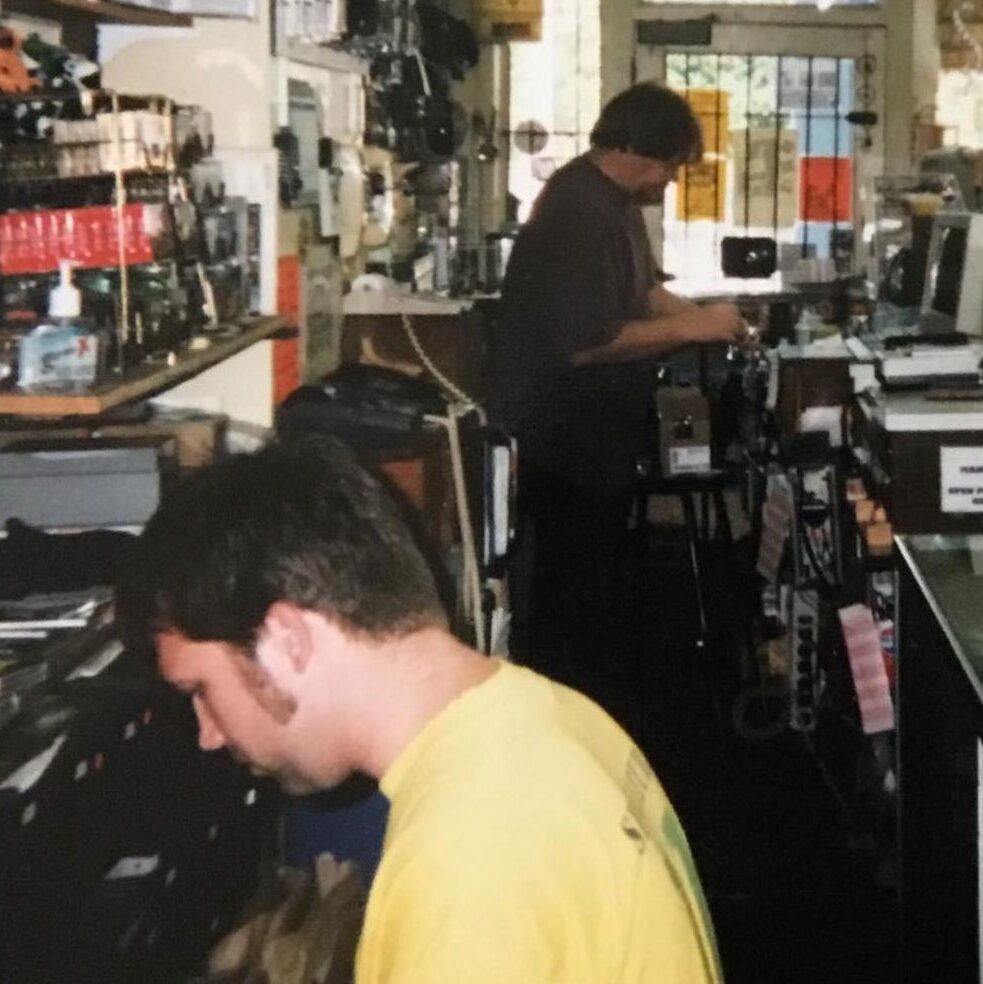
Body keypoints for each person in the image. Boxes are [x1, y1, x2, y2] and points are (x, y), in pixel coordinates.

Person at [116, 438, 722, 984]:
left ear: (287, 639)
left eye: (200, 690)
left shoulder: (462, 864)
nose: (209, 734)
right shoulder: (550, 713)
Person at [493, 82, 746, 725]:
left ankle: (587, 711)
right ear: (634, 149)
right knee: (572, 596)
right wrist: (694, 329)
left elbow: (644, 293)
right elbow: (586, 342)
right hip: (564, 437)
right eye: (667, 165)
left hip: (595, 434)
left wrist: (712, 318)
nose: (668, 180)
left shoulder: (613, 201)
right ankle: (566, 722)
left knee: (596, 585)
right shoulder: (578, 210)